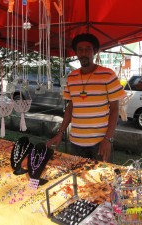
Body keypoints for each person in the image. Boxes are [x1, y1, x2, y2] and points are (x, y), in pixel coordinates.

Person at [47, 33, 126, 162]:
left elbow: (115, 109)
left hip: (100, 142)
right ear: (76, 53)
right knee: (77, 179)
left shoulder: (107, 75)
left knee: (101, 180)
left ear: (95, 51)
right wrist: (60, 133)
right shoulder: (72, 76)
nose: (84, 53)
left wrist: (108, 139)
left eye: (88, 49)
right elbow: (70, 108)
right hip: (76, 142)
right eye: (80, 50)